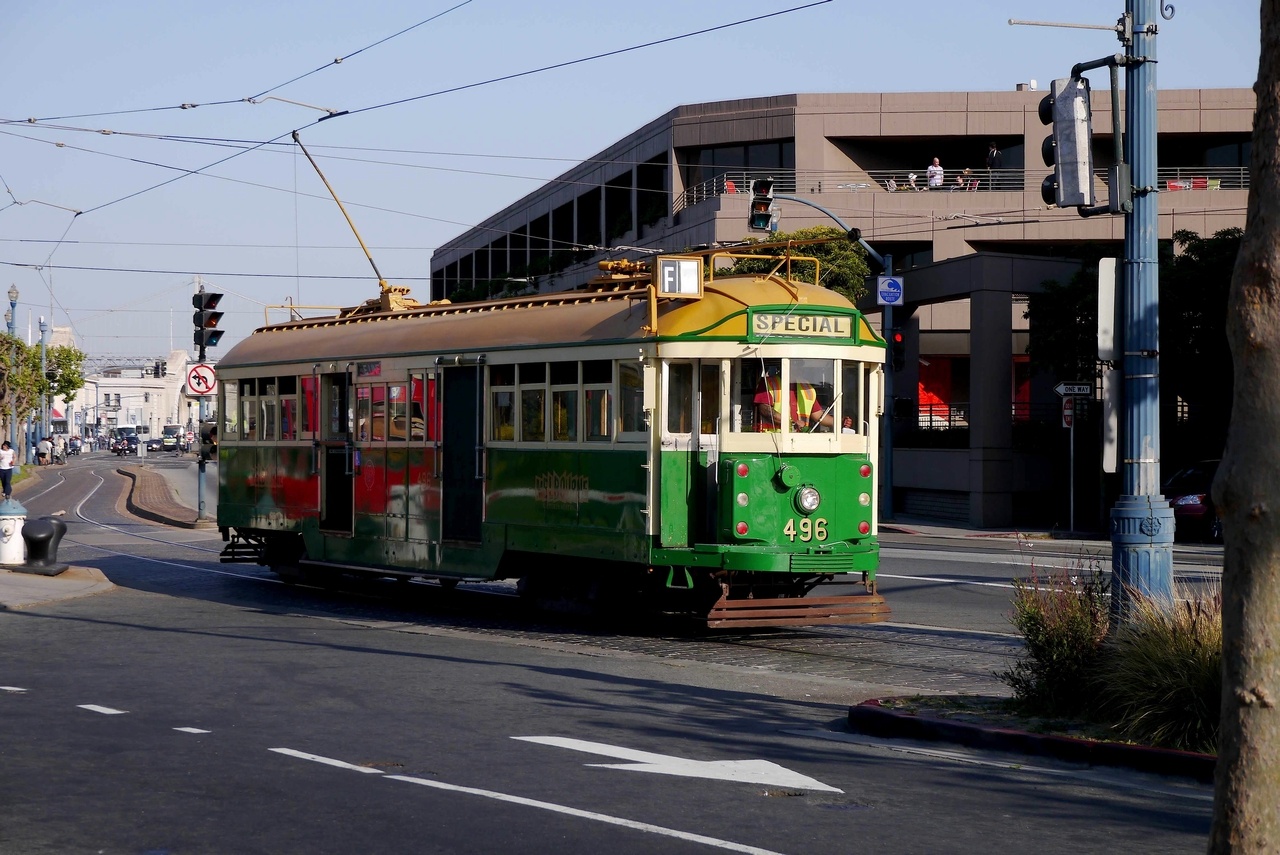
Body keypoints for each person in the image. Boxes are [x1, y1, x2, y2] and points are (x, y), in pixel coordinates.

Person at [754, 370, 834, 432]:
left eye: (799, 364)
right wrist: (792, 423)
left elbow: (818, 415)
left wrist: (840, 422)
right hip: (772, 441)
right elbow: (765, 410)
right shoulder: (768, 383)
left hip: (799, 441)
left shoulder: (807, 387)